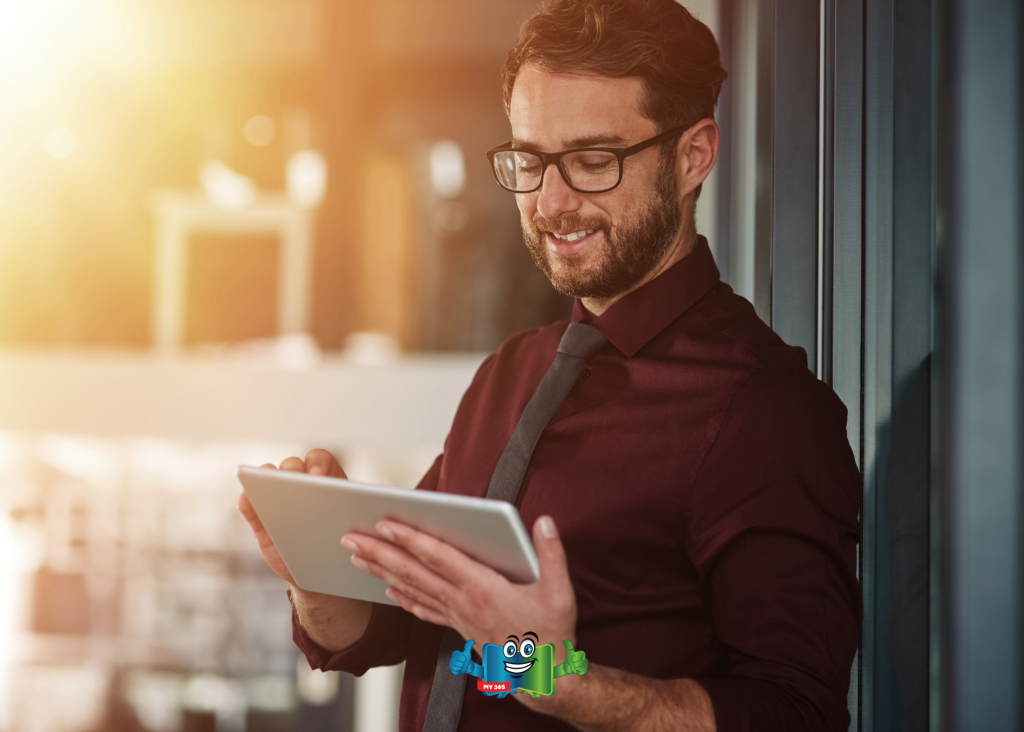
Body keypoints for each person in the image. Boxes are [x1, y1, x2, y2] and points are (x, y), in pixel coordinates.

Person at [238, 1, 861, 730]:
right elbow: (435, 640)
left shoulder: (763, 408)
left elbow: (794, 711)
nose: (552, 201)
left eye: (594, 161)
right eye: (530, 161)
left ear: (693, 157)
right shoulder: (511, 374)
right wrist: (323, 589)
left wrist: (557, 679)